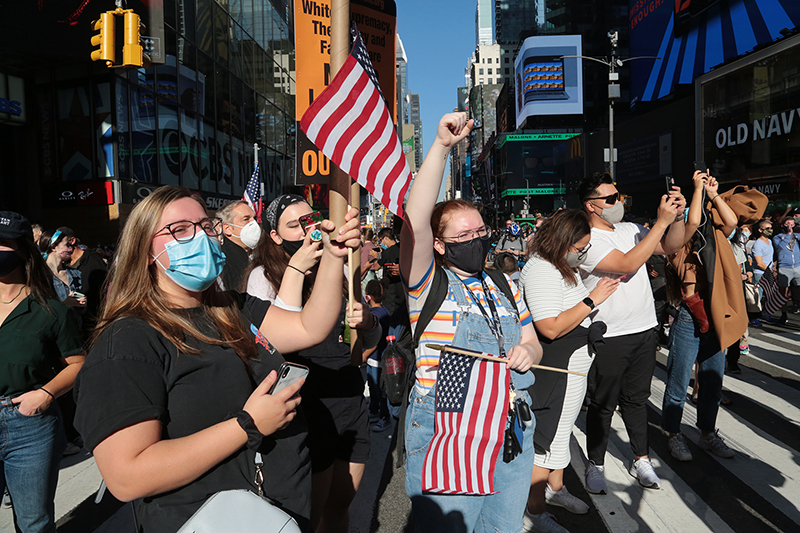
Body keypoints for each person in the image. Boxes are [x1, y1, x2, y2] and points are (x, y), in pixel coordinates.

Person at [73, 186, 362, 533]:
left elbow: (308, 327)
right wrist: (247, 425)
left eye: (206, 226)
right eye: (179, 230)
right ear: (145, 250)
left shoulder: (231, 307)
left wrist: (333, 257)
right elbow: (127, 475)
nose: (200, 237)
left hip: (281, 516)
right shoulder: (128, 341)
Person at [400, 112, 543, 532]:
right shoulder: (427, 284)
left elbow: (533, 342)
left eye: (480, 231)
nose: (476, 241)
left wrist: (526, 353)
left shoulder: (504, 283)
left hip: (511, 428)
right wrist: (443, 147)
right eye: (462, 236)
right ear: (440, 246)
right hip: (449, 430)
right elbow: (415, 218)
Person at [244, 194, 378, 533]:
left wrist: (369, 325)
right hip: (308, 406)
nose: (310, 231)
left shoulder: (344, 267)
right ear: (274, 237)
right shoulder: (264, 276)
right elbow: (275, 342)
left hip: (350, 397)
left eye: (313, 220)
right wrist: (298, 269)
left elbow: (363, 348)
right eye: (295, 226)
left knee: (339, 506)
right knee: (309, 515)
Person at [578, 171, 686, 493]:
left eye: (619, 196)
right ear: (591, 206)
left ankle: (641, 458)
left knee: (637, 400)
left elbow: (669, 246)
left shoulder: (631, 229)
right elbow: (625, 264)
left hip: (644, 328)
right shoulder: (585, 238)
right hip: (607, 334)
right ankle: (595, 463)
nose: (618, 203)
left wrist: (676, 217)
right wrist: (661, 223)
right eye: (610, 199)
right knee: (603, 403)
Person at [519, 209, 618, 533]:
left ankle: (556, 490)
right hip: (555, 371)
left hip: (572, 371)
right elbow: (549, 327)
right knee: (545, 442)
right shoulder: (541, 271)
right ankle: (533, 510)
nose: (583, 254)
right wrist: (592, 299)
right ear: (563, 242)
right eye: (580, 248)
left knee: (561, 438)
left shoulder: (559, 265)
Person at [661, 172, 764, 462]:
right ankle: (673, 433)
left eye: (685, 199)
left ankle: (707, 433)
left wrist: (713, 193)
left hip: (716, 313)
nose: (683, 204)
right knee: (679, 381)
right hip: (689, 316)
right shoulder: (676, 234)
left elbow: (731, 222)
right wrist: (695, 191)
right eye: (676, 200)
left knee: (712, 381)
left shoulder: (714, 230)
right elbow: (692, 221)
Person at [0, 211, 85, 533]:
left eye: (3, 243)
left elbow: (78, 364)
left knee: (34, 522)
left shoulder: (50, 310)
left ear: (23, 250)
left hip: (28, 426)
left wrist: (45, 394)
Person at [61, 227, 108, 339]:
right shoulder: (63, 266)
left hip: (94, 322)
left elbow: (104, 290)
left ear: (71, 241)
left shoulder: (92, 260)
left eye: (59, 244)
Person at [362, 279, 392, 432]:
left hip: (375, 358)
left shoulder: (374, 315)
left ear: (368, 296)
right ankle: (374, 411)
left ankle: (384, 417)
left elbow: (374, 340)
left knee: (378, 389)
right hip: (379, 358)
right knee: (373, 386)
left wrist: (363, 355)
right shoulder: (384, 311)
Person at [217, 200, 260, 291]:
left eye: (254, 218)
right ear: (227, 229)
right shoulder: (222, 262)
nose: (254, 224)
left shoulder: (260, 254)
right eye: (246, 219)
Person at [40, 229, 86, 311]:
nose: (71, 249)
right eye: (67, 245)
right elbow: (41, 309)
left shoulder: (75, 273)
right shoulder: (40, 276)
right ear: (54, 247)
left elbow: (81, 311)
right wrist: (65, 304)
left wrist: (82, 304)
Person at [772, 216, 800, 324]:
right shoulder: (778, 237)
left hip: (797, 266)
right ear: (783, 225)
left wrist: (795, 234)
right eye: (788, 223)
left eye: (792, 224)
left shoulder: (797, 236)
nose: (790, 226)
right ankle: (783, 314)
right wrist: (789, 234)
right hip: (784, 267)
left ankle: (796, 305)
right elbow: (781, 248)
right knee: (783, 292)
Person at [749, 219, 776, 326]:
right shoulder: (758, 244)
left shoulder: (769, 241)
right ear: (760, 230)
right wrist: (770, 271)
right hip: (760, 273)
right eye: (767, 228)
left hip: (769, 272)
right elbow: (759, 263)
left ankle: (765, 314)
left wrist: (774, 268)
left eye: (771, 228)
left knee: (769, 295)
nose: (770, 230)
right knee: (758, 296)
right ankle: (754, 317)